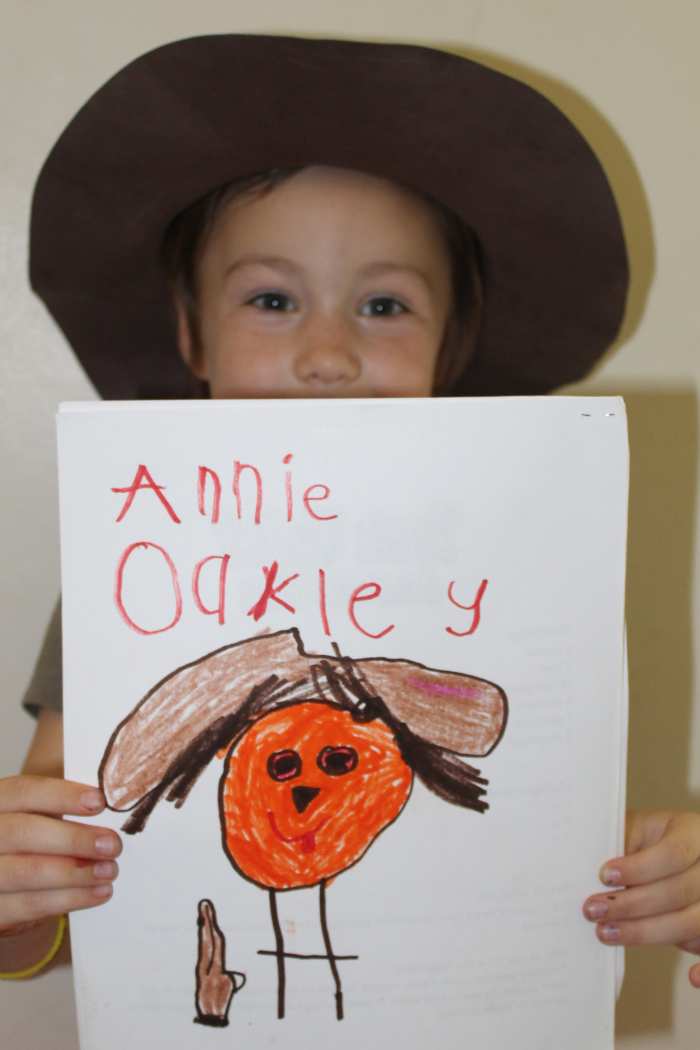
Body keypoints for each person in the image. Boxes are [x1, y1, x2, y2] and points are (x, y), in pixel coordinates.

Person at [2, 34, 700, 991]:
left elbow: (542, 842)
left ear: (448, 349)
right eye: (274, 297)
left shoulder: (521, 572)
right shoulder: (137, 572)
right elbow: (71, 887)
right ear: (190, 331)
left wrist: (666, 881)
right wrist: (15, 898)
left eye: (383, 306)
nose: (327, 354)